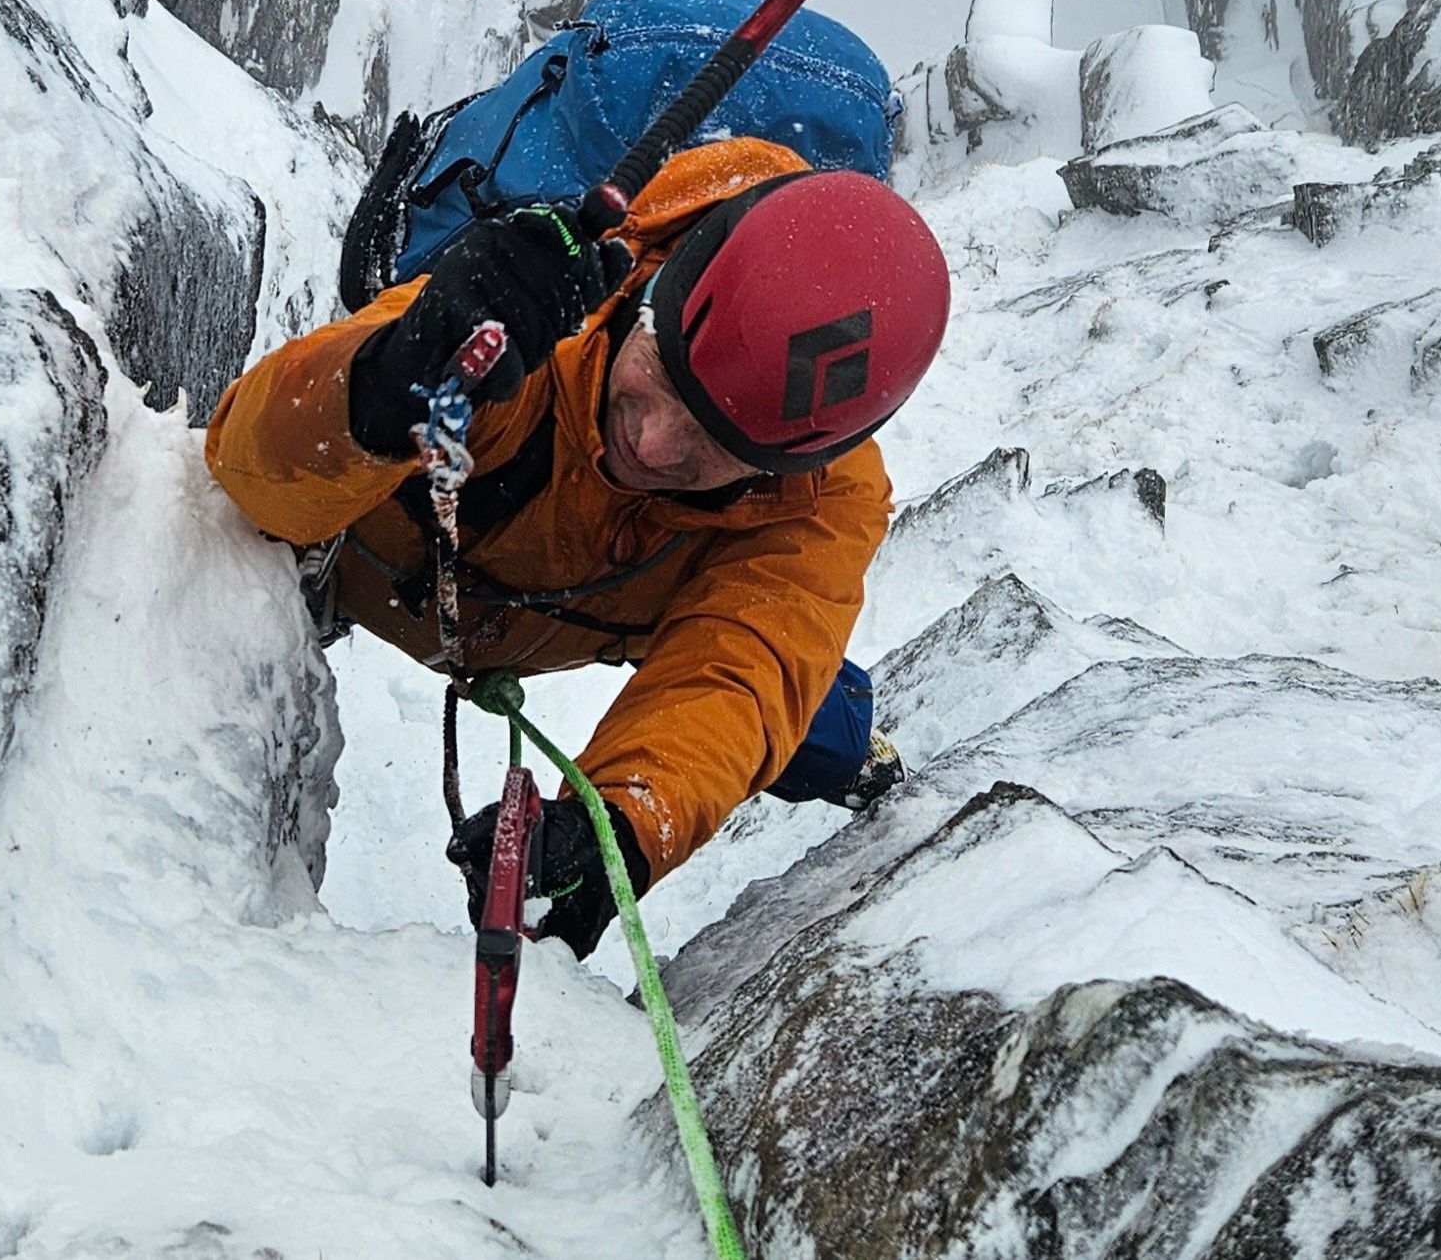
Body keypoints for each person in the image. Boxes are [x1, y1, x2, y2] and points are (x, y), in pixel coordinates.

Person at [204, 136, 950, 956]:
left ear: (794, 460)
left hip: (619, 604)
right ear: (650, 294)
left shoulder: (819, 500)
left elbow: (743, 666)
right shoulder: (538, 300)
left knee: (794, 711)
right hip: (380, 549)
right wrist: (387, 378)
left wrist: (614, 832)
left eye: (714, 444)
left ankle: (852, 754)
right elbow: (249, 464)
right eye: (661, 375)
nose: (656, 446)